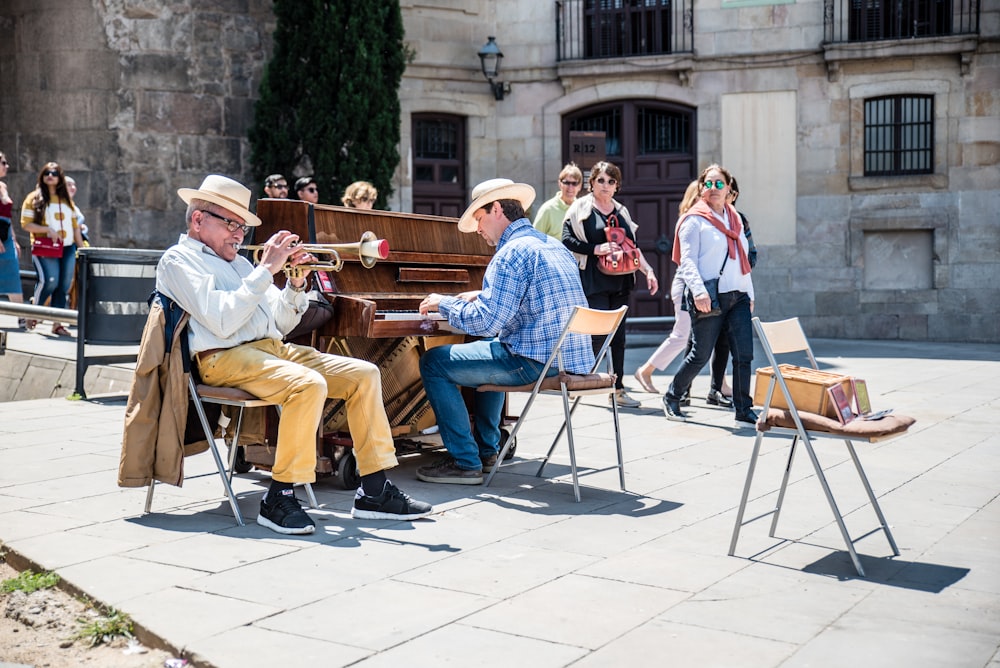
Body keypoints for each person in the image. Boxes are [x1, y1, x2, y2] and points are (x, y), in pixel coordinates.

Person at [156, 174, 432, 534]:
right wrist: (266, 270)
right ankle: (279, 496)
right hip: (222, 356)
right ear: (198, 219)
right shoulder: (179, 261)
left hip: (271, 349)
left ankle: (374, 491)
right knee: (308, 385)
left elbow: (281, 323)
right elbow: (222, 320)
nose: (240, 235)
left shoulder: (240, 264)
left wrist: (295, 284)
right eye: (232, 224)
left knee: (364, 375)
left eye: (242, 226)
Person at [416, 178, 594, 485]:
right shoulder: (553, 246)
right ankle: (488, 451)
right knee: (491, 343)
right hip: (570, 361)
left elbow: (487, 322)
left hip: (535, 362)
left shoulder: (510, 253)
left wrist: (442, 303)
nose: (479, 229)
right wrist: (481, 295)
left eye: (479, 219)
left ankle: (464, 462)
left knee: (434, 363)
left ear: (497, 209)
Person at [661, 164, 756, 427]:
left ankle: (744, 408)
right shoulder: (694, 220)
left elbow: (744, 261)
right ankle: (672, 395)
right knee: (700, 355)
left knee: (744, 354)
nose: (713, 189)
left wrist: (750, 293)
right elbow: (687, 262)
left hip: (737, 296)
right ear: (702, 188)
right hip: (709, 297)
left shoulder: (735, 220)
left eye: (719, 184)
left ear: (728, 189)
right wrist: (699, 292)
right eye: (708, 184)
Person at [562, 161, 658, 408]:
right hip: (594, 280)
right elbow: (567, 240)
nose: (605, 185)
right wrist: (595, 248)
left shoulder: (622, 211)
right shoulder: (579, 209)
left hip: (622, 281)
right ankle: (582, 380)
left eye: (611, 181)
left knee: (618, 337)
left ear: (617, 186)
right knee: (596, 334)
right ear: (591, 183)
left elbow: (633, 249)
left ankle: (618, 389)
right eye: (600, 180)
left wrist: (648, 271)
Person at [632, 180, 701, 395]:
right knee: (681, 335)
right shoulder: (690, 220)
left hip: (695, 287)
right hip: (686, 287)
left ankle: (713, 385)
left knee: (701, 337)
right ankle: (646, 370)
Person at [705, 176, 758, 407]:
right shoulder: (705, 217)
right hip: (711, 291)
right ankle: (679, 392)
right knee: (699, 344)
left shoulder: (739, 219)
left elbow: (752, 255)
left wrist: (747, 287)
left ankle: (727, 395)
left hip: (737, 291)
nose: (729, 196)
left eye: (732, 192)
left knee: (730, 344)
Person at [19, 162, 85, 337]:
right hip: (46, 246)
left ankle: (57, 323)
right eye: (47, 172)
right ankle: (34, 313)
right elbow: (26, 224)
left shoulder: (66, 201)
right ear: (42, 175)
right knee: (49, 282)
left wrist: (84, 249)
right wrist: (47, 230)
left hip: (68, 247)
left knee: (63, 286)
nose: (50, 175)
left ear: (59, 177)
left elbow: (75, 228)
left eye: (54, 173)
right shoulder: (34, 197)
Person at [0, 152, 27, 328]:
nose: (7, 166)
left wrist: (14, 239)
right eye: (3, 162)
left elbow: (7, 216)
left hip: (6, 233)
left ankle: (22, 316)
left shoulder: (3, 185)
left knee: (12, 274)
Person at [532, 163, 583, 239]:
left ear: (580, 186)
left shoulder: (583, 209)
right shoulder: (547, 209)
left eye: (574, 183)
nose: (570, 187)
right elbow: (534, 238)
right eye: (567, 183)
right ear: (560, 184)